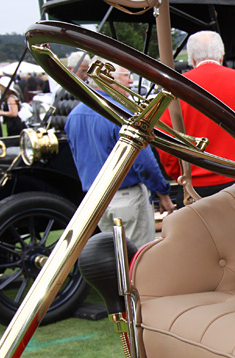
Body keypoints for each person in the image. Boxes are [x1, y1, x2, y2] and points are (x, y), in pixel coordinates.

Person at [65, 61, 175, 247]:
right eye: (127, 75)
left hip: (95, 200)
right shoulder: (122, 113)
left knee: (115, 261)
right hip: (126, 197)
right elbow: (143, 162)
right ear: (109, 79)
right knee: (139, 261)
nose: (131, 81)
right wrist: (163, 193)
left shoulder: (74, 115)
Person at [158, 30, 235, 198]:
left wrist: (181, 172)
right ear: (221, 56)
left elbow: (165, 141)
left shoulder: (176, 89)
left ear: (191, 58)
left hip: (196, 186)